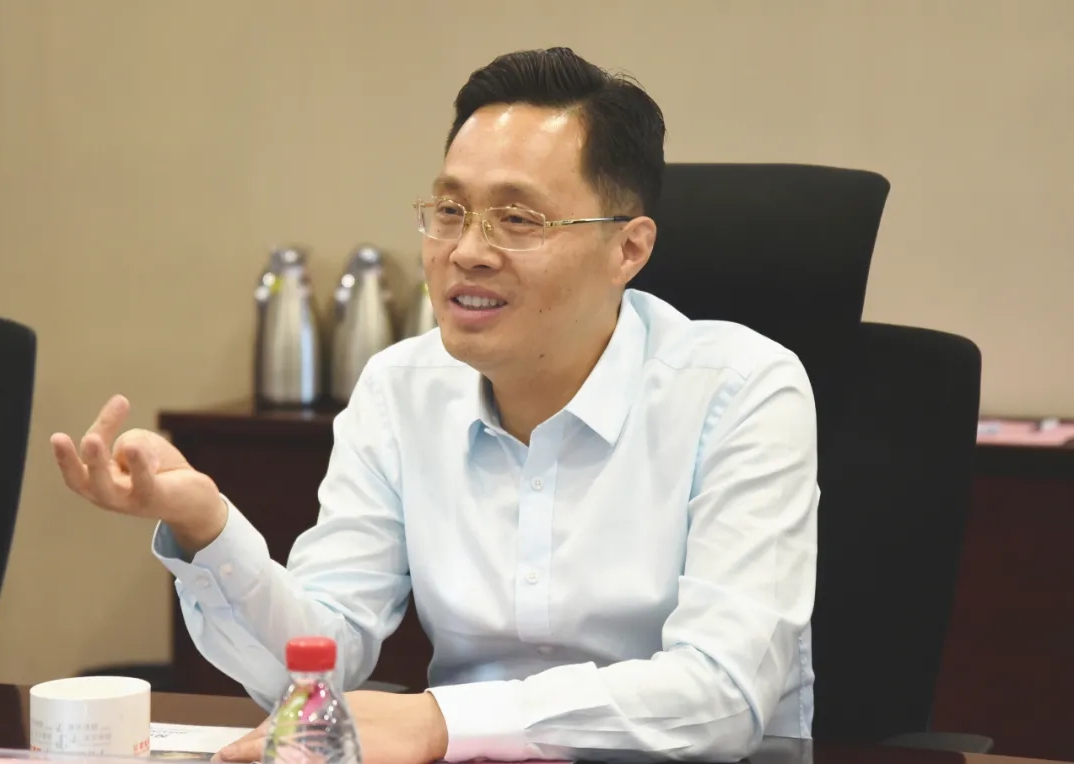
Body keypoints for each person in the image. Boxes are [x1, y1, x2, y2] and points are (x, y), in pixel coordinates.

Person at [51, 47, 818, 764]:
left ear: (629, 249)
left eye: (518, 219)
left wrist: (442, 720)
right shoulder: (400, 389)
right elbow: (316, 665)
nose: (468, 251)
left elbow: (723, 693)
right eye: (450, 211)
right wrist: (207, 528)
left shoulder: (742, 391)